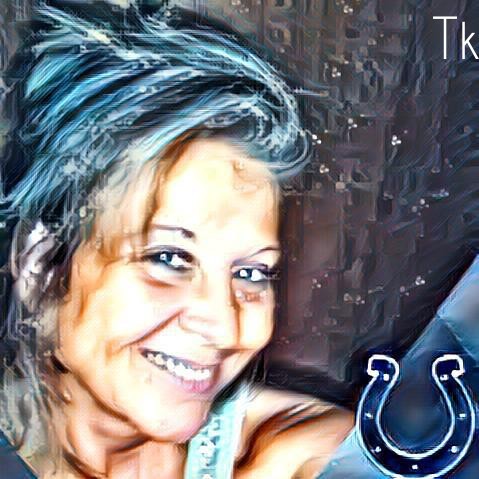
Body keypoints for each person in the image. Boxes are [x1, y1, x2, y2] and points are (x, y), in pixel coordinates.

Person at [0, 1, 353, 478]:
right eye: (169, 258)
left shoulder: (302, 458)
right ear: (41, 268)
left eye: (252, 273)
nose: (226, 329)